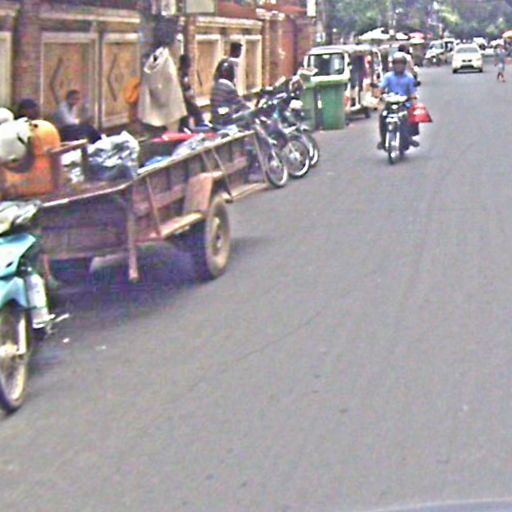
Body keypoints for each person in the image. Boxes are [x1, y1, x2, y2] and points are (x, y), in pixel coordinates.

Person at [377, 52, 419, 150]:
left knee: (410, 118)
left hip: (404, 104)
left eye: (401, 64)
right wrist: (379, 95)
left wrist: (414, 104)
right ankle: (383, 139)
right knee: (382, 117)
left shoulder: (409, 78)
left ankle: (409, 137)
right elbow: (381, 88)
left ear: (404, 65)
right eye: (396, 63)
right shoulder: (388, 77)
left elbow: (412, 93)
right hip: (390, 104)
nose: (398, 66)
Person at [210, 60, 249, 125]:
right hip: (225, 122)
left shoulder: (216, 86)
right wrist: (251, 110)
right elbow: (240, 104)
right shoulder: (228, 87)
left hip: (215, 120)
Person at [178, 54, 205, 130]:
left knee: (185, 118)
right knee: (197, 113)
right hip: (184, 100)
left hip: (180, 101)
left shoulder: (179, 72)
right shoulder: (184, 74)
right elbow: (186, 88)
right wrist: (191, 96)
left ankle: (184, 129)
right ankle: (200, 128)